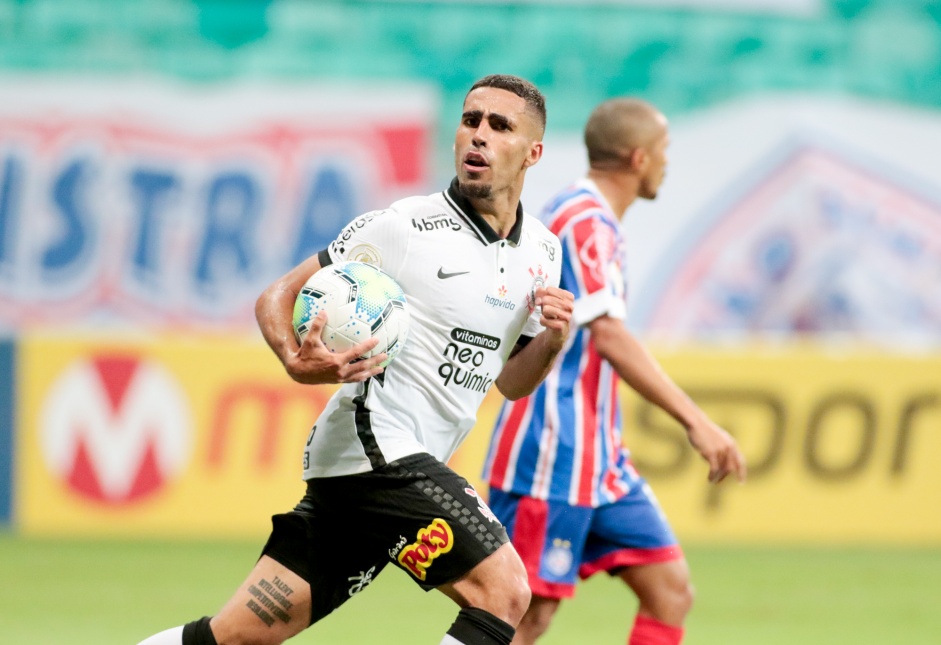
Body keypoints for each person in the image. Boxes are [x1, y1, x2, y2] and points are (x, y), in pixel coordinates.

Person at [135, 74, 575, 645]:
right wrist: (295, 360)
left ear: (533, 151)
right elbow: (279, 293)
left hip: (370, 472)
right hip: (378, 449)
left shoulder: (543, 251)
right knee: (506, 590)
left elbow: (512, 382)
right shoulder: (406, 227)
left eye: (500, 126)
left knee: (237, 635)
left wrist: (554, 341)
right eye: (471, 121)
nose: (479, 136)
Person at [482, 98, 748, 645]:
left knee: (670, 590)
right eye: (663, 152)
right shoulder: (583, 220)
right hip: (552, 451)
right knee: (525, 615)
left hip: (599, 456)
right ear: (638, 158)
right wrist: (697, 421)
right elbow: (609, 335)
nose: (667, 164)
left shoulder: (586, 217)